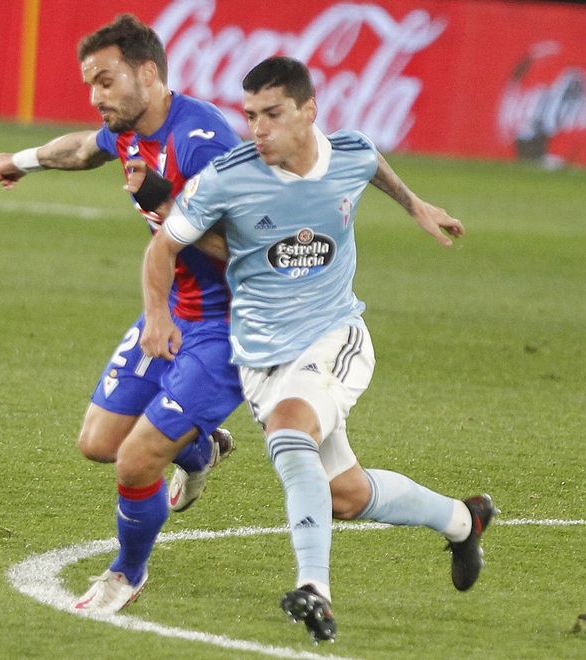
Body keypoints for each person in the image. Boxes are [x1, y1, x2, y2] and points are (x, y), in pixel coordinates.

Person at [139, 56, 496, 642]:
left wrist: (417, 206)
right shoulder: (230, 177)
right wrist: (157, 315)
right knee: (346, 496)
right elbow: (164, 246)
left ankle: (314, 589)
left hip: (335, 336)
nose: (257, 129)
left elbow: (370, 161)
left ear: (309, 111)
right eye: (250, 115)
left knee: (289, 432)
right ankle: (464, 520)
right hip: (260, 358)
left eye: (272, 115)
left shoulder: (346, 152)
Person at [0, 15, 243, 613]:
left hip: (227, 327)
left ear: (147, 73)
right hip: (172, 308)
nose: (95, 96)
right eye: (89, 85)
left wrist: (167, 204)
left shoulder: (201, 143)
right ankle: (201, 450)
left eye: (105, 81)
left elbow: (249, 255)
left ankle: (126, 573)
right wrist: (23, 160)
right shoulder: (128, 131)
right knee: (99, 443)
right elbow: (81, 147)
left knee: (134, 459)